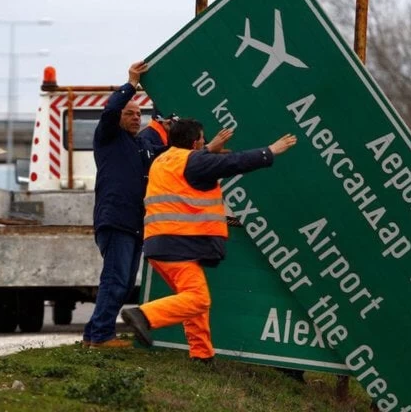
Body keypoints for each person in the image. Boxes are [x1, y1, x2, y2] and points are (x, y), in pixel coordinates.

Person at [120, 118, 297, 362]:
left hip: (161, 243)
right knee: (198, 299)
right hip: (178, 243)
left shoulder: (164, 160)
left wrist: (206, 151)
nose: (205, 142)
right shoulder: (195, 162)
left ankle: (202, 354)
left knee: (191, 298)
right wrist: (270, 151)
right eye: (202, 139)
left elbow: (194, 162)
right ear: (194, 142)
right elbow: (235, 162)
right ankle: (143, 315)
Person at [82, 60, 163, 349]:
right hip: (116, 221)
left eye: (139, 114)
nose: (135, 117)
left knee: (124, 284)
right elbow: (111, 109)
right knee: (115, 281)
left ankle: (92, 335)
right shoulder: (108, 138)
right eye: (129, 113)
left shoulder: (140, 145)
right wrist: (131, 83)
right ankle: (102, 336)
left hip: (134, 224)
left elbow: (166, 143)